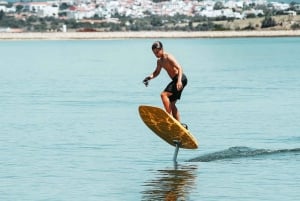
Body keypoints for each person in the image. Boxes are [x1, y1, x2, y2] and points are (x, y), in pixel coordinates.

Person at [143, 41, 188, 126]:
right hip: (177, 80)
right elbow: (156, 72)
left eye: (157, 52)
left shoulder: (168, 57)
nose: (156, 54)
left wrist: (179, 81)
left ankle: (169, 117)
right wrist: (149, 78)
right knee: (172, 104)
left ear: (162, 49)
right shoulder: (159, 62)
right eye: (154, 53)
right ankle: (179, 125)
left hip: (180, 78)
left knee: (163, 95)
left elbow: (180, 67)